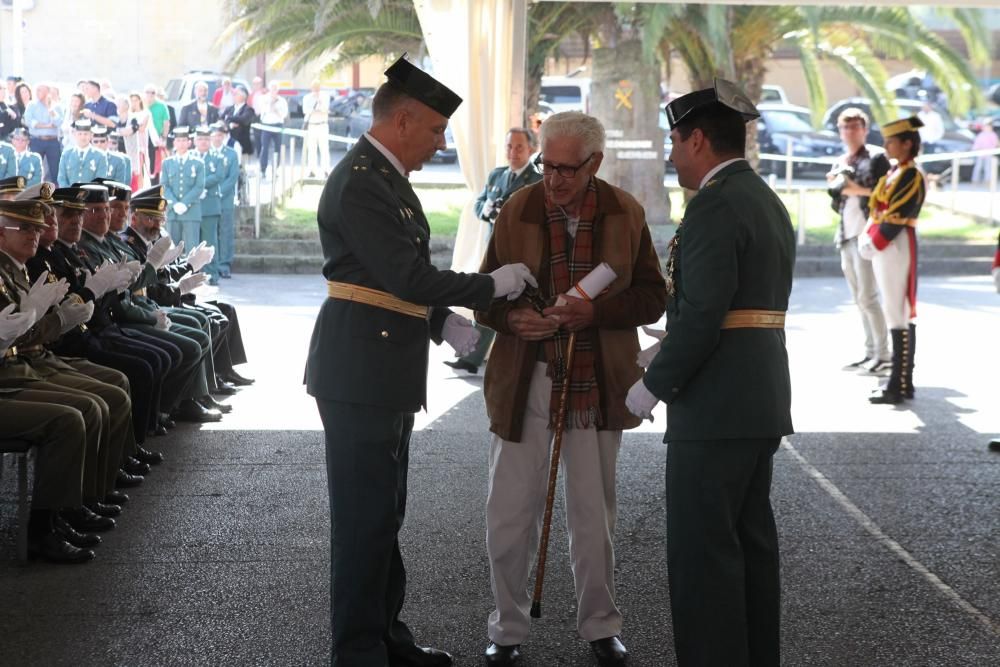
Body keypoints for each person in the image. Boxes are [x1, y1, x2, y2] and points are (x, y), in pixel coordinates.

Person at [304, 56, 537, 667]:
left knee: (385, 512)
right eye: (435, 131)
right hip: (361, 370)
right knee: (364, 518)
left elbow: (383, 276)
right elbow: (406, 273)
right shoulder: (361, 180)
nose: (439, 143)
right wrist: (491, 287)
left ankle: (386, 637)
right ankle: (357, 651)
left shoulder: (382, 178)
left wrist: (439, 321)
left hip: (382, 363)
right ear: (402, 120)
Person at [476, 111, 666, 667]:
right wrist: (512, 322)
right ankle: (506, 629)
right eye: (546, 166)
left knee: (593, 514)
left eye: (565, 169)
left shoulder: (625, 212)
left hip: (597, 384)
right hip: (525, 380)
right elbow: (484, 294)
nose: (553, 179)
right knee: (508, 512)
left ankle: (601, 626)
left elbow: (653, 296)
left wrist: (596, 312)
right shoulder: (518, 208)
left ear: (595, 163)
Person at [625, 79, 795, 666]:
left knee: (704, 559)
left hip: (716, 404)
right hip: (757, 397)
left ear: (698, 139)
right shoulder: (762, 198)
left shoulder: (716, 205)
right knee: (749, 550)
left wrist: (651, 386)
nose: (671, 154)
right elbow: (733, 310)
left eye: (674, 140)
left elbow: (703, 316)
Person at [446, 127, 541, 378]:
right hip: (494, 249)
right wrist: (486, 210)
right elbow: (479, 204)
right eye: (509, 146)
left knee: (507, 306)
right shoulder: (497, 175)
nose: (513, 152)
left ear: (531, 150)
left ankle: (483, 359)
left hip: (519, 253)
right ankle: (472, 357)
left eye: (519, 147)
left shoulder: (536, 180)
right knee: (488, 301)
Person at [859, 116, 926, 405]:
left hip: (896, 244)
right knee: (892, 308)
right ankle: (900, 381)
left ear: (907, 144)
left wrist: (875, 241)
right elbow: (877, 209)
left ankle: (898, 383)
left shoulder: (912, 175)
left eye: (891, 141)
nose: (886, 145)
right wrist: (869, 235)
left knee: (897, 309)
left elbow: (896, 214)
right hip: (885, 245)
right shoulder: (894, 172)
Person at [827, 108, 891, 373]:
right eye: (845, 127)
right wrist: (837, 187)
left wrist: (852, 188)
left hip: (867, 233)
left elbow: (885, 192)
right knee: (859, 298)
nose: (850, 131)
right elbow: (835, 200)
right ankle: (870, 352)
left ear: (864, 129)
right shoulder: (841, 160)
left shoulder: (877, 157)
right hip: (845, 234)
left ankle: (883, 354)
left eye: (855, 126)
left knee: (869, 296)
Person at [161, 126, 204, 248]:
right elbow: (164, 185)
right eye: (178, 140)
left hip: (191, 211)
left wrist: (185, 203)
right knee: (171, 249)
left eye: (184, 140)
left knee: (192, 249)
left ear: (189, 142)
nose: (181, 143)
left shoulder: (198, 163)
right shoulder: (167, 163)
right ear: (174, 142)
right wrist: (175, 203)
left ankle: (193, 269)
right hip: (172, 211)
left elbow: (199, 186)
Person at [193, 125, 223, 284]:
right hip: (193, 206)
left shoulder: (216, 157)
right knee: (192, 241)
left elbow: (218, 175)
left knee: (209, 242)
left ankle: (212, 274)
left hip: (210, 205)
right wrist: (197, 188)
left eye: (206, 139)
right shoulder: (191, 156)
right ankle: (194, 274)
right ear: (195, 140)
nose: (203, 142)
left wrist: (201, 185)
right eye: (200, 139)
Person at [210, 122, 239, 278]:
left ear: (224, 136)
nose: (217, 138)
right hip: (208, 200)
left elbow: (233, 177)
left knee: (225, 231)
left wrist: (219, 191)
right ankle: (211, 263)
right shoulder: (207, 154)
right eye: (214, 135)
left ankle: (224, 264)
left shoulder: (231, 154)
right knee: (210, 231)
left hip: (225, 199)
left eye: (220, 135)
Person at [23, 82, 63, 179]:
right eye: (36, 90)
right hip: (37, 140)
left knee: (55, 170)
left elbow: (58, 123)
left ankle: (56, 191)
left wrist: (50, 109)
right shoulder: (31, 105)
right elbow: (29, 121)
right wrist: (47, 126)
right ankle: (33, 191)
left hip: (53, 142)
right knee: (34, 168)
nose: (37, 92)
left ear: (48, 92)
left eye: (40, 90)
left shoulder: (56, 106)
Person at [57, 119, 108, 187]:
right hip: (69, 196)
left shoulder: (100, 156)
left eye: (86, 134)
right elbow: (61, 178)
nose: (83, 137)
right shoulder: (66, 154)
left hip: (91, 196)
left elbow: (100, 181)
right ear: (74, 134)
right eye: (80, 134)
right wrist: (69, 193)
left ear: (91, 135)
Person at [253, 81, 288, 179]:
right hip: (266, 126)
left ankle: (275, 169)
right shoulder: (264, 98)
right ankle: (263, 170)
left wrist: (276, 110)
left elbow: (284, 114)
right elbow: (261, 111)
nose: (274, 90)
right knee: (264, 148)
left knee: (278, 148)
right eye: (272, 88)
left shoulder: (282, 100)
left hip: (278, 125)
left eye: (275, 88)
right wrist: (270, 105)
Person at [302, 79, 331, 178]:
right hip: (312, 125)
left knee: (324, 149)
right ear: (311, 88)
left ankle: (326, 170)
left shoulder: (325, 96)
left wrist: (320, 102)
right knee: (312, 149)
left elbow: (325, 109)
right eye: (314, 88)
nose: (316, 90)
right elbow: (306, 110)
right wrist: (317, 110)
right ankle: (312, 170)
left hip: (322, 125)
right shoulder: (307, 98)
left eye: (318, 88)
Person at [144, 84, 170, 182]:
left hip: (155, 138)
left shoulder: (162, 106)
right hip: (143, 137)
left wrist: (163, 137)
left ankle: (154, 186)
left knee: (154, 164)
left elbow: (166, 122)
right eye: (147, 92)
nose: (150, 94)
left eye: (153, 92)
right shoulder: (142, 105)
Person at [222, 86, 254, 159]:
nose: (233, 96)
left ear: (243, 97)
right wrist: (229, 124)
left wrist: (229, 118)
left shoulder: (249, 110)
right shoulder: (229, 109)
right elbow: (221, 120)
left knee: (242, 168)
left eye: (236, 94)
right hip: (227, 144)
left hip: (242, 145)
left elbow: (243, 120)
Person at [971, 120, 998, 185]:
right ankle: (974, 180)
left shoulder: (993, 135)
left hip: (989, 154)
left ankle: (987, 181)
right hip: (980, 153)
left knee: (987, 168)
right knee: (978, 167)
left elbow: (995, 144)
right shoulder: (980, 135)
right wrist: (976, 150)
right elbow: (976, 144)